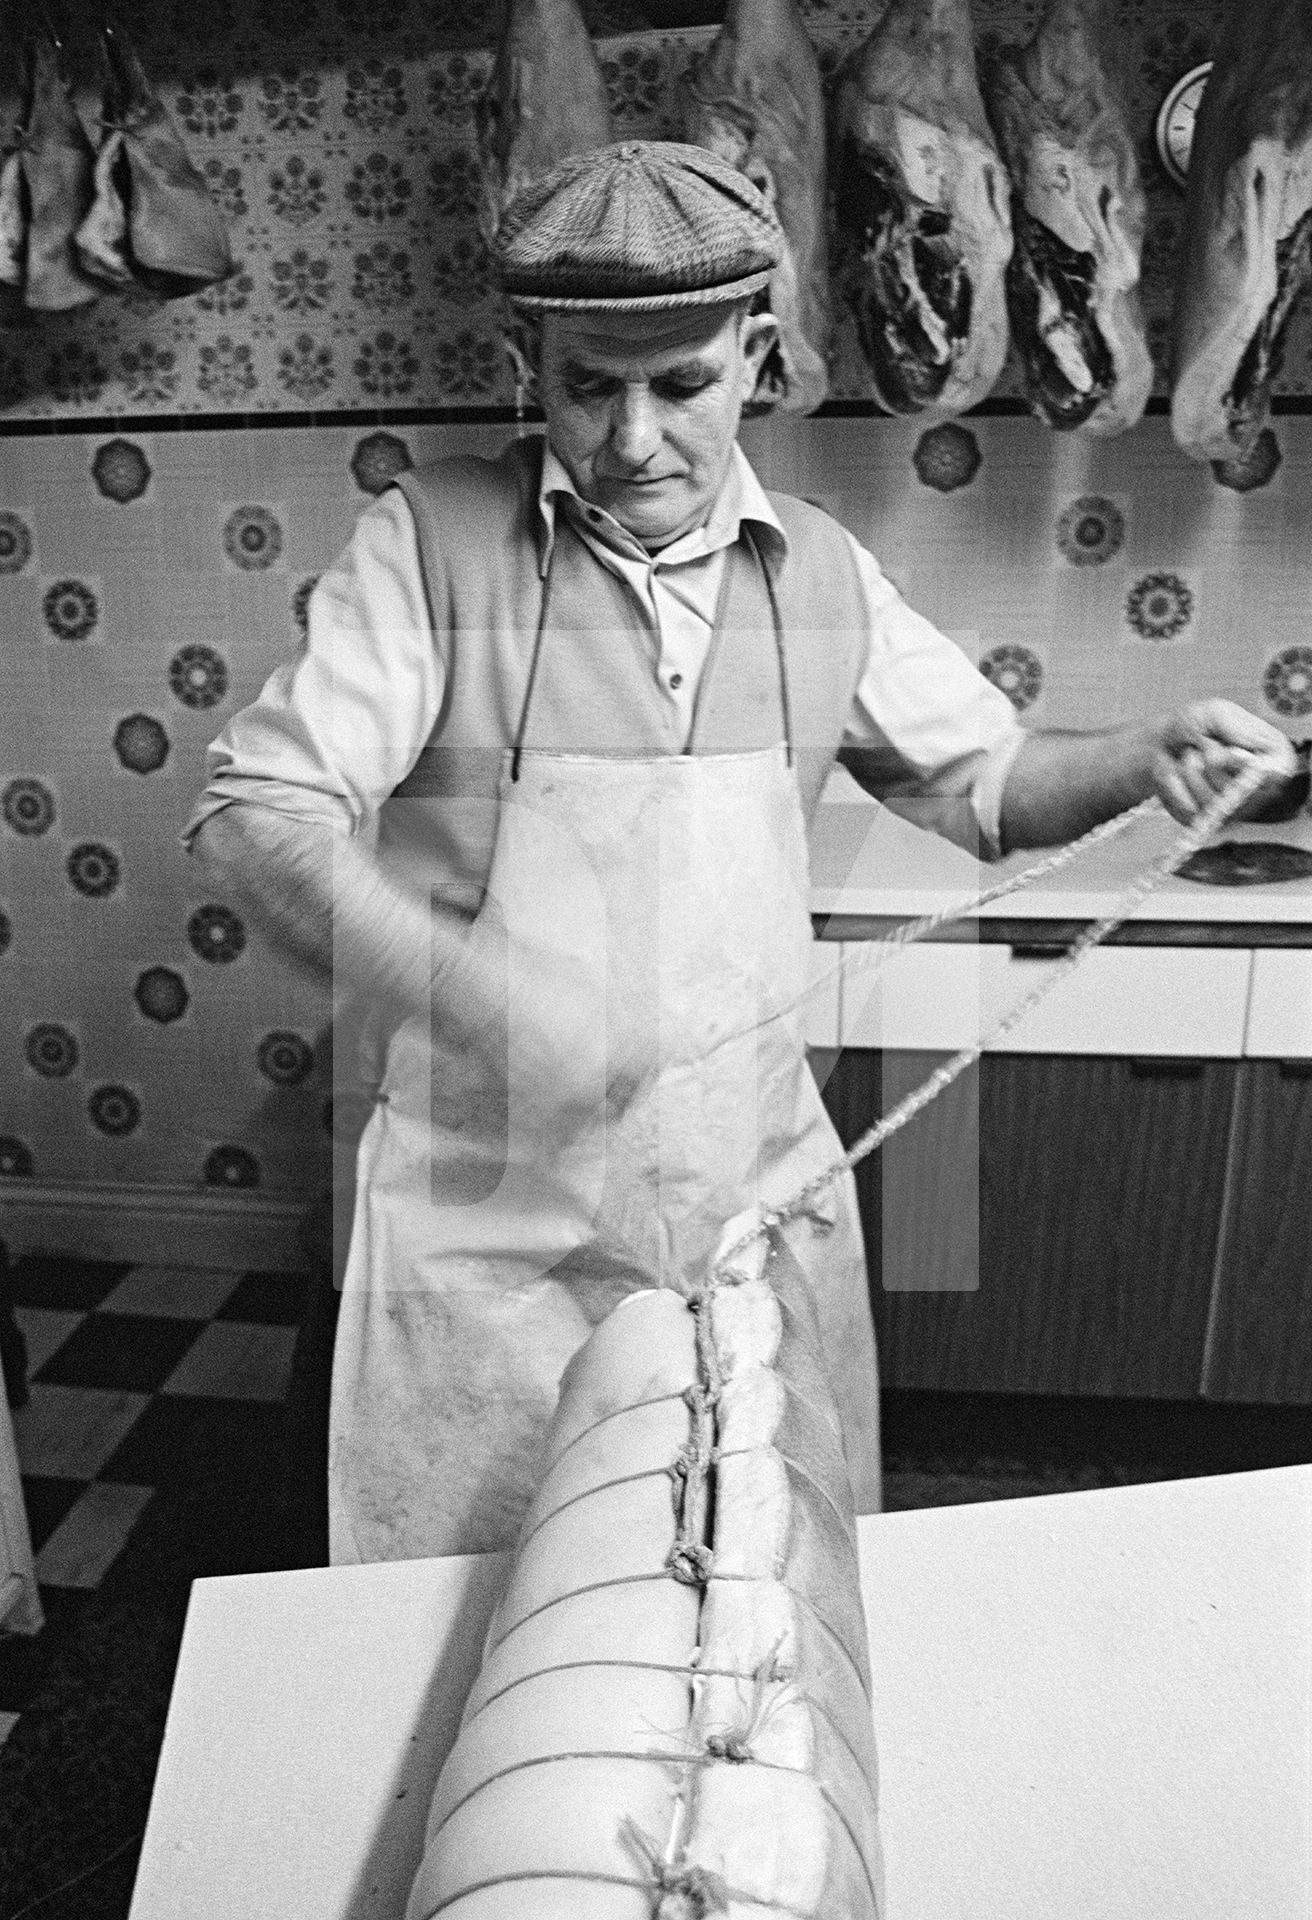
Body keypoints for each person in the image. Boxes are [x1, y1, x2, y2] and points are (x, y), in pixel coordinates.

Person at [186, 141, 1296, 1564]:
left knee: (757, 1611)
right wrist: (494, 1000)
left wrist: (1144, 756)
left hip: (748, 1207)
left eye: (684, 383)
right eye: (589, 385)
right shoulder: (432, 547)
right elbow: (256, 821)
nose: (633, 437)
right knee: (498, 1619)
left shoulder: (821, 572)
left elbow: (993, 784)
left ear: (758, 356)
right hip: (499, 1236)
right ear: (529, 358)